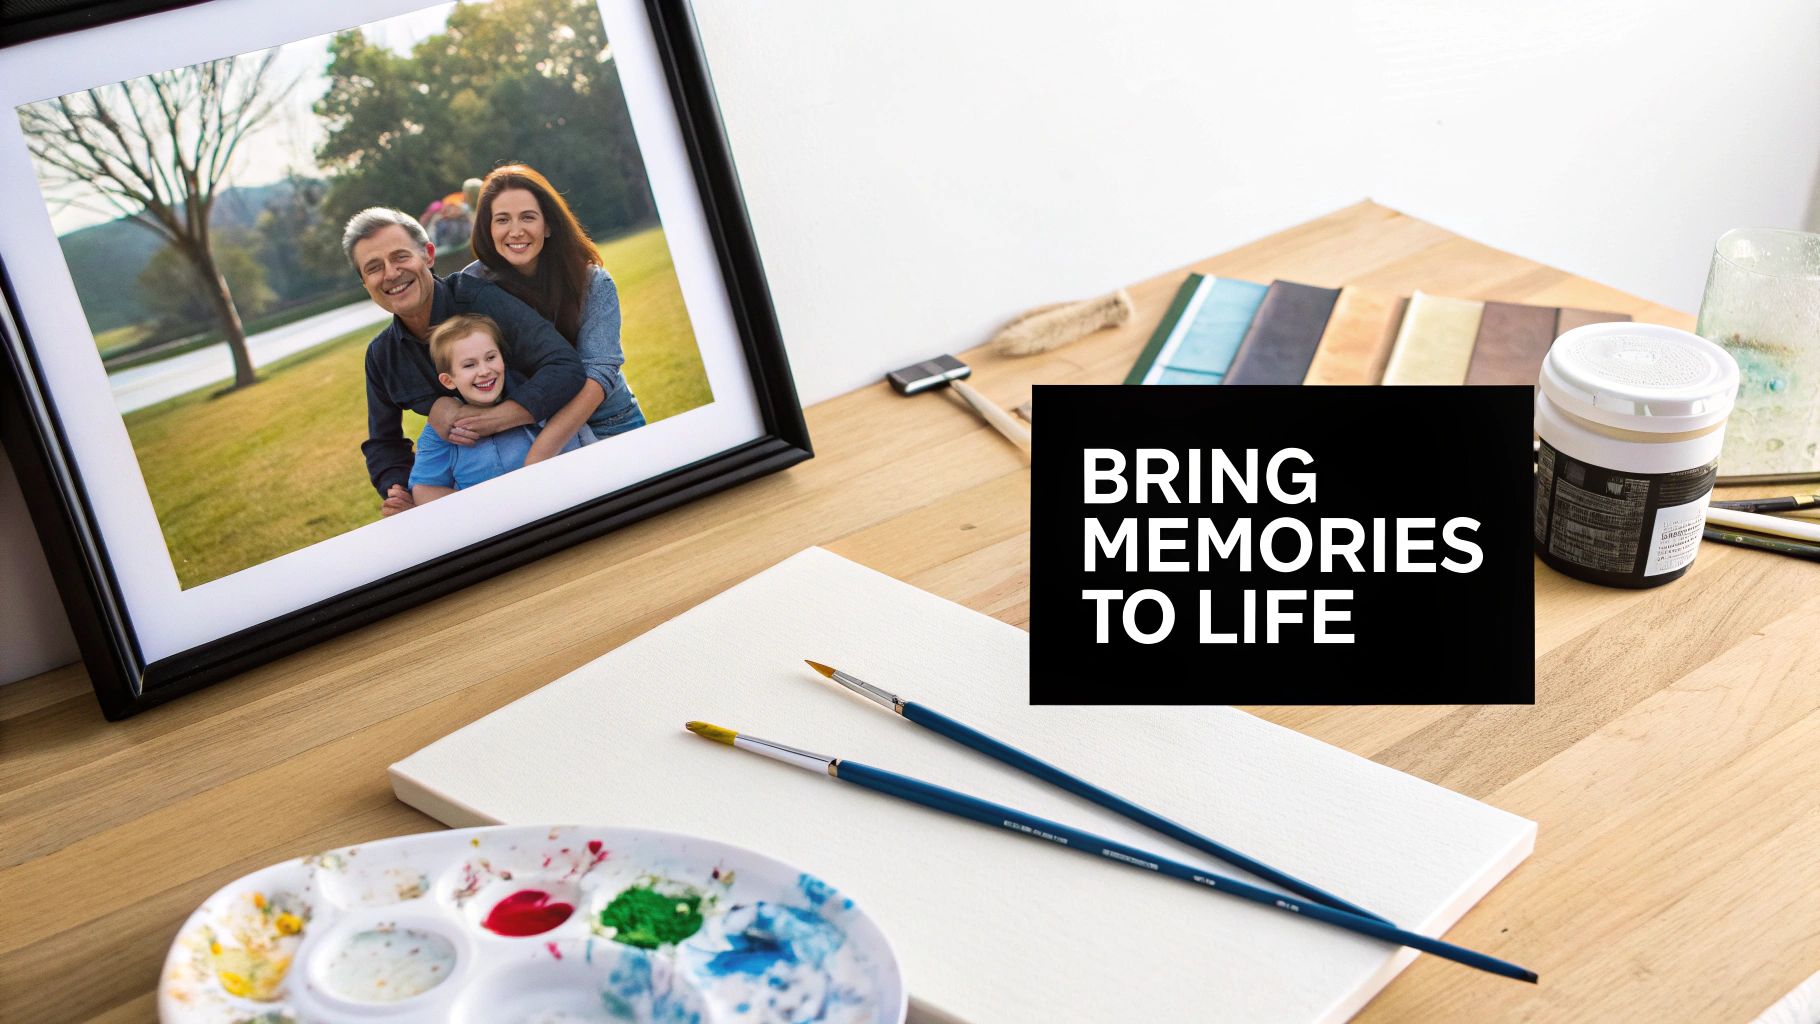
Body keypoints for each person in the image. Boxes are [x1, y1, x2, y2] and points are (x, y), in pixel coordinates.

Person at [344, 207, 585, 517]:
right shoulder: (382, 356)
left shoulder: (481, 300)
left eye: (401, 257)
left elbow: (564, 365)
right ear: (365, 283)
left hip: (548, 470)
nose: (391, 273)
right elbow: (383, 442)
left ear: (428, 255)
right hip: (473, 496)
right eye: (374, 268)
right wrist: (399, 490)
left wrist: (497, 418)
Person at [463, 165, 645, 458]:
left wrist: (541, 451)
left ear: (548, 225)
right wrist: (445, 411)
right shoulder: (471, 286)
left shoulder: (592, 281)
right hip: (523, 433)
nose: (516, 231)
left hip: (608, 422)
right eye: (502, 219)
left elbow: (599, 371)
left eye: (528, 217)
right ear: (488, 228)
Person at [407, 314, 584, 506]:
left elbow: (574, 462)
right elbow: (424, 489)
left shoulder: (538, 400)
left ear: (502, 359)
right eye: (469, 365)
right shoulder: (441, 429)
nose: (484, 371)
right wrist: (487, 506)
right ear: (448, 380)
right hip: (489, 519)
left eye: (491, 357)